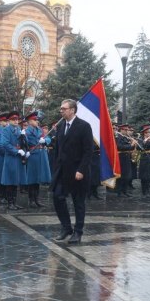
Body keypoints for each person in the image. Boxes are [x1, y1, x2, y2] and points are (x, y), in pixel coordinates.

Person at [51, 99, 93, 244]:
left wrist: (81, 170)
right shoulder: (61, 126)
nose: (61, 111)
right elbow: (58, 149)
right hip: (63, 171)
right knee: (57, 197)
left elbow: (88, 151)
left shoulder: (84, 126)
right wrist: (56, 167)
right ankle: (66, 227)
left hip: (77, 172)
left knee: (78, 203)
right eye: (61, 108)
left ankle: (78, 232)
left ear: (72, 110)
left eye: (64, 108)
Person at [0, 111, 27, 210]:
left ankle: (14, 202)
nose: (16, 121)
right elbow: (5, 144)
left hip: (18, 158)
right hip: (11, 158)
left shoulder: (19, 129)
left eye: (17, 119)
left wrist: (24, 138)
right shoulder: (6, 130)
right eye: (13, 119)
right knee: (10, 180)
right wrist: (17, 151)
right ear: (9, 120)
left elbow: (23, 143)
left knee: (16, 181)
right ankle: (10, 203)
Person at [24, 111, 51, 207]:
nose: (37, 121)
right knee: (32, 178)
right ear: (30, 121)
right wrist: (38, 141)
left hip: (41, 154)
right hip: (33, 154)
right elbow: (29, 142)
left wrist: (45, 141)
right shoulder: (27, 131)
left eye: (37, 120)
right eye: (35, 120)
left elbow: (48, 138)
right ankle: (31, 200)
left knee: (38, 178)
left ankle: (36, 199)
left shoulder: (39, 129)